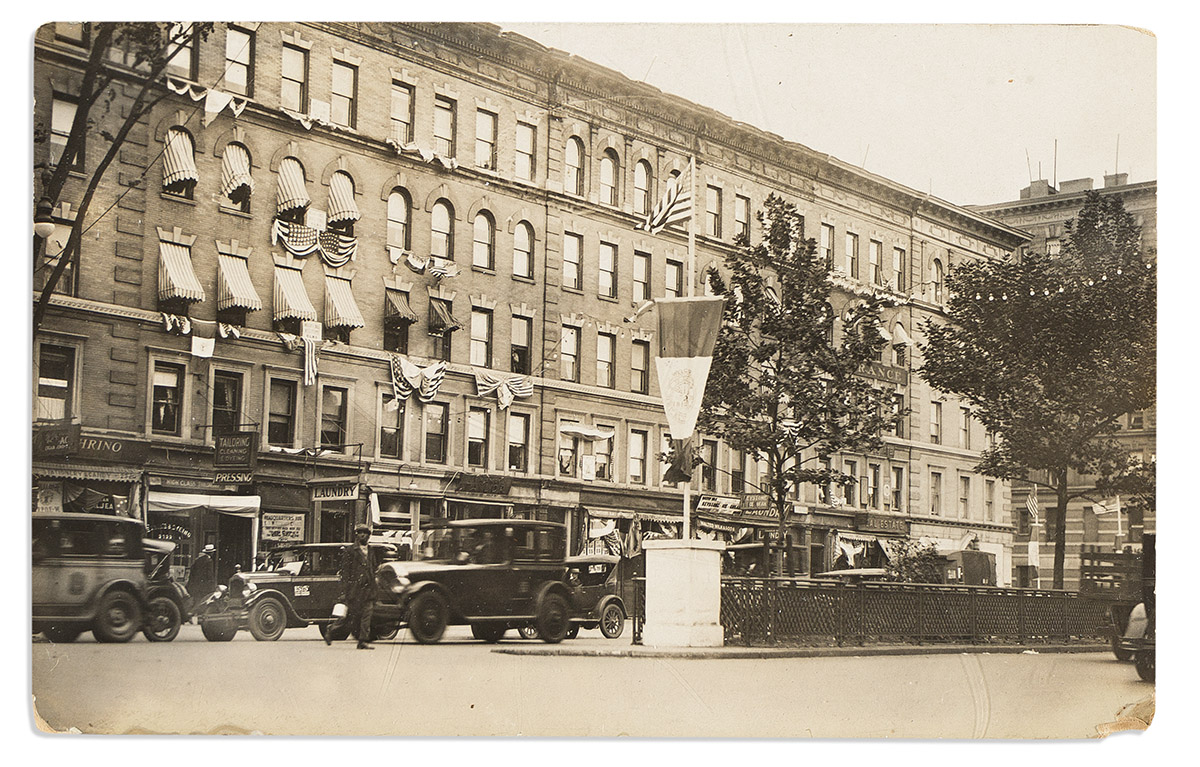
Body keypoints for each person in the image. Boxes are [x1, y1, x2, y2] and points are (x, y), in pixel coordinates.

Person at [325, 524, 376, 650]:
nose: (362, 535)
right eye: (360, 532)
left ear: (369, 535)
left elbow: (373, 567)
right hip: (355, 589)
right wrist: (344, 590)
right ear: (356, 535)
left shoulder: (371, 550)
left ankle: (362, 641)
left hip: (368, 588)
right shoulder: (350, 551)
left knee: (367, 614)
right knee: (349, 616)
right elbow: (345, 572)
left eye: (364, 533)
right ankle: (330, 631)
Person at [186, 544, 217, 617]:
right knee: (203, 600)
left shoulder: (198, 560)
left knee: (196, 599)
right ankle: (193, 614)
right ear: (211, 553)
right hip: (204, 585)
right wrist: (212, 583)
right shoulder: (209, 561)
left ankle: (192, 614)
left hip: (195, 584)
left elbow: (192, 572)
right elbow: (209, 574)